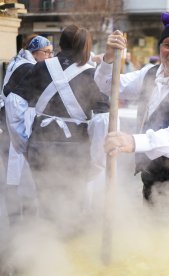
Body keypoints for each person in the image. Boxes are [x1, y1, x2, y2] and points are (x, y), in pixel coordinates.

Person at [95, 12, 169, 204]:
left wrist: (133, 141)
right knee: (151, 231)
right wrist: (109, 58)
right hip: (151, 176)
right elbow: (109, 85)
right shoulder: (151, 73)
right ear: (160, 48)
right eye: (168, 45)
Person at [6, 25, 110, 233]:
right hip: (76, 151)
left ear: (60, 44)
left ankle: (47, 249)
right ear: (86, 46)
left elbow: (13, 103)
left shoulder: (41, 67)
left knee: (45, 202)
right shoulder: (93, 75)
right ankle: (66, 252)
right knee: (73, 206)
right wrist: (97, 162)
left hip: (39, 146)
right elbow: (102, 122)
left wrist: (23, 145)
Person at [1, 34, 53, 224]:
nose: (49, 56)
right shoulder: (29, 68)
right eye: (46, 52)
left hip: (9, 127)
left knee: (14, 178)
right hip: (15, 127)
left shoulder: (18, 61)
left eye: (51, 52)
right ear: (34, 52)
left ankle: (17, 224)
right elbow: (15, 101)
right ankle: (22, 227)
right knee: (23, 179)